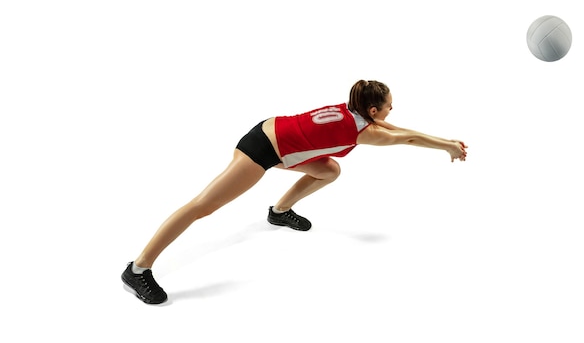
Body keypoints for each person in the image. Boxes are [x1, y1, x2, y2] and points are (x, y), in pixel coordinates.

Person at [121, 79, 467, 304]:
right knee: (202, 206)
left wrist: (447, 140)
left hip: (274, 134)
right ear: (373, 110)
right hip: (262, 149)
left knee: (328, 170)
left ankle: (279, 211)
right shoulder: (367, 131)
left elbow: (397, 128)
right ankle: (137, 269)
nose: (392, 110)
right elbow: (402, 137)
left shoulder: (357, 111)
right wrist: (445, 148)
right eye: (390, 105)